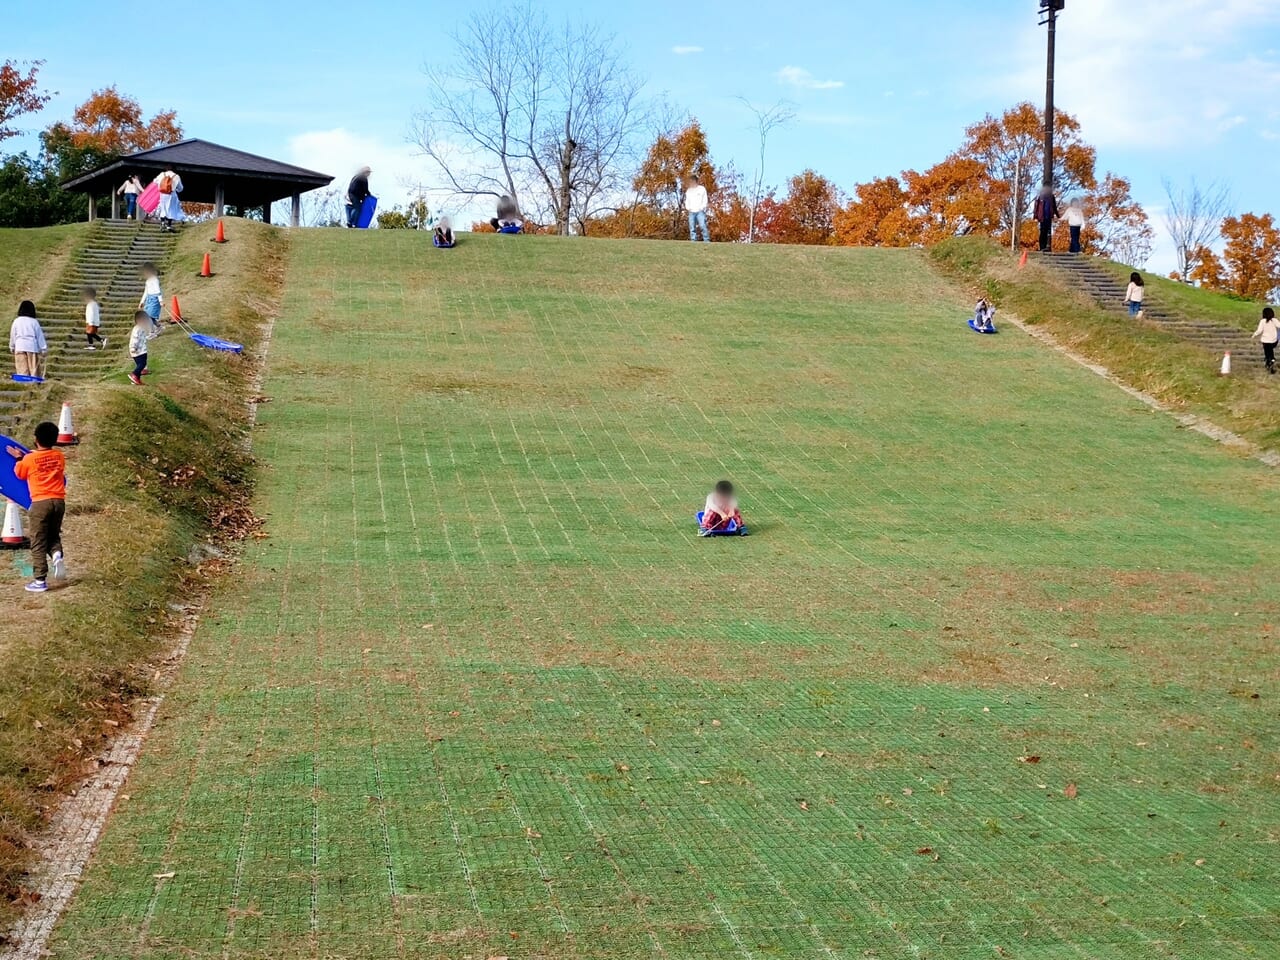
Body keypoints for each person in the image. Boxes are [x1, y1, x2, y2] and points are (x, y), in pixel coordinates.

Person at [7, 421, 67, 593]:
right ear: (55, 439)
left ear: (35, 438)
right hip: (58, 501)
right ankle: (56, 555)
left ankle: (40, 580)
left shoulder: (29, 459)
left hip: (40, 503)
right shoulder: (59, 456)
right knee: (53, 534)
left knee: (38, 541)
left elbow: (19, 473)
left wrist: (19, 457)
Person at [10, 300, 47, 380]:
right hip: (31, 347)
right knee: (33, 369)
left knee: (22, 369)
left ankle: (23, 383)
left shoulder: (16, 321)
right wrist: (43, 348)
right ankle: (33, 383)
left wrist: (12, 346)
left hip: (19, 346)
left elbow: (13, 335)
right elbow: (39, 335)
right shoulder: (34, 322)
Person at [128, 310, 155, 385]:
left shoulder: (142, 327)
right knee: (142, 364)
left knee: (141, 364)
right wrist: (133, 347)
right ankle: (134, 374)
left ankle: (136, 380)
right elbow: (134, 338)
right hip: (137, 350)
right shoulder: (137, 329)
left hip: (142, 349)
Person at [1251, 306, 1279, 375]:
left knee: (1267, 353)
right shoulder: (1274, 320)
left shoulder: (1263, 321)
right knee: (1270, 351)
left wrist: (1254, 335)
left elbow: (1259, 330)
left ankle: (1269, 362)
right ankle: (1271, 360)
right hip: (1274, 341)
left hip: (1265, 341)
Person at [138, 262, 164, 333]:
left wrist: (160, 301)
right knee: (148, 316)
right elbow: (146, 292)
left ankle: (151, 332)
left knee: (149, 316)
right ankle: (158, 327)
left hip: (155, 299)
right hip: (149, 299)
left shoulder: (155, 280)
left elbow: (158, 290)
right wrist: (142, 302)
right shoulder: (148, 281)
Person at [1033, 185, 1060, 253]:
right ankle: (1042, 246)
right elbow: (1036, 206)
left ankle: (1046, 247)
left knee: (1048, 232)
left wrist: (1057, 215)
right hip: (1042, 217)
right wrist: (1035, 216)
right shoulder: (1040, 196)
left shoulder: (1051, 197)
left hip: (1049, 217)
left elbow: (1054, 206)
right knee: (1042, 231)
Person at [685, 175, 711, 243]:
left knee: (702, 225)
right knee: (692, 226)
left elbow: (705, 199)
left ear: (696, 181)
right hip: (691, 211)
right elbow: (687, 200)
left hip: (700, 211)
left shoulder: (702, 189)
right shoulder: (689, 191)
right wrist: (688, 208)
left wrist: (702, 207)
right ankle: (693, 239)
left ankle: (706, 239)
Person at [83, 286, 106, 350]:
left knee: (89, 333)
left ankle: (93, 344)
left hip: (92, 321)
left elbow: (91, 314)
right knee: (91, 333)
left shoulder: (91, 304)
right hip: (94, 321)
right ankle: (101, 341)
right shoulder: (93, 304)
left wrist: (90, 322)